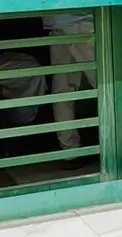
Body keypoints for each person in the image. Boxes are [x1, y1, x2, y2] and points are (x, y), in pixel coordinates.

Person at [41, 11, 97, 155]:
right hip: (82, 19)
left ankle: (70, 150)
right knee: (107, 83)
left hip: (56, 22)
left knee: (63, 88)